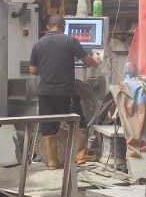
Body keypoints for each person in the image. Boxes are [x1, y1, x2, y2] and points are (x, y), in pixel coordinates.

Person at [28, 14, 98, 170]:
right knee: (79, 121)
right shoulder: (71, 41)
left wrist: (46, 68)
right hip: (66, 92)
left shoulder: (38, 44)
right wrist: (96, 62)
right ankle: (80, 154)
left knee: (48, 126)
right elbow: (87, 61)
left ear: (48, 27)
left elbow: (32, 70)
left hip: (45, 93)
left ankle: (52, 162)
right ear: (63, 27)